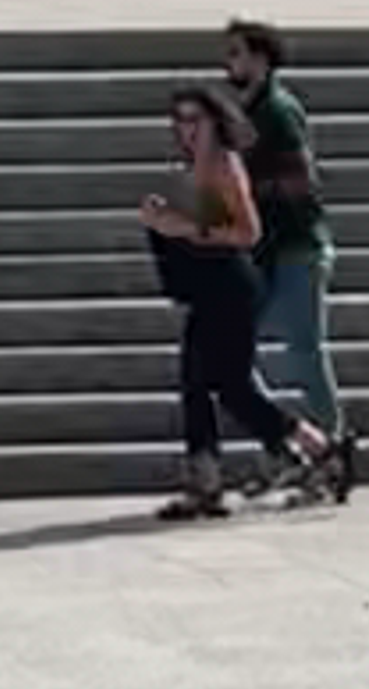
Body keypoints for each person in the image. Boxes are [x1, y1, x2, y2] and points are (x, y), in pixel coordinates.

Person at [141, 84, 331, 524]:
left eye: (195, 119)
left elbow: (248, 233)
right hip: (209, 286)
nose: (186, 130)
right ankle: (205, 481)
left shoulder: (225, 165)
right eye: (180, 121)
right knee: (197, 382)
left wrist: (183, 227)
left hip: (232, 285)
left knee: (229, 384)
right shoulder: (195, 167)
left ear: (214, 121)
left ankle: (315, 446)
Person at [215, 12, 356, 496]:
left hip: (298, 248)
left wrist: (248, 189)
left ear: (260, 58)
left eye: (236, 52)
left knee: (305, 351)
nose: (227, 62)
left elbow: (302, 181)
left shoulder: (278, 109)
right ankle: (288, 447)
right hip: (267, 252)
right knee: (235, 353)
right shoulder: (247, 112)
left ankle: (330, 452)